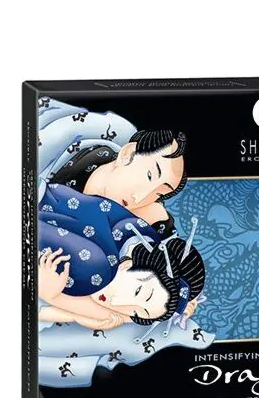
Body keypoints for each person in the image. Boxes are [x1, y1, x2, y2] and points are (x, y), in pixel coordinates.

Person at [37, 184, 204, 332]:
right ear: (127, 264)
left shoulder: (139, 231)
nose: (117, 304)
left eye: (135, 313)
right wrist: (52, 297)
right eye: (138, 291)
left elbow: (113, 314)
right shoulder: (96, 269)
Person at [49, 129, 187, 236]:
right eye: (149, 176)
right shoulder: (74, 166)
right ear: (128, 154)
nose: (139, 198)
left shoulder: (151, 219)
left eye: (158, 194)